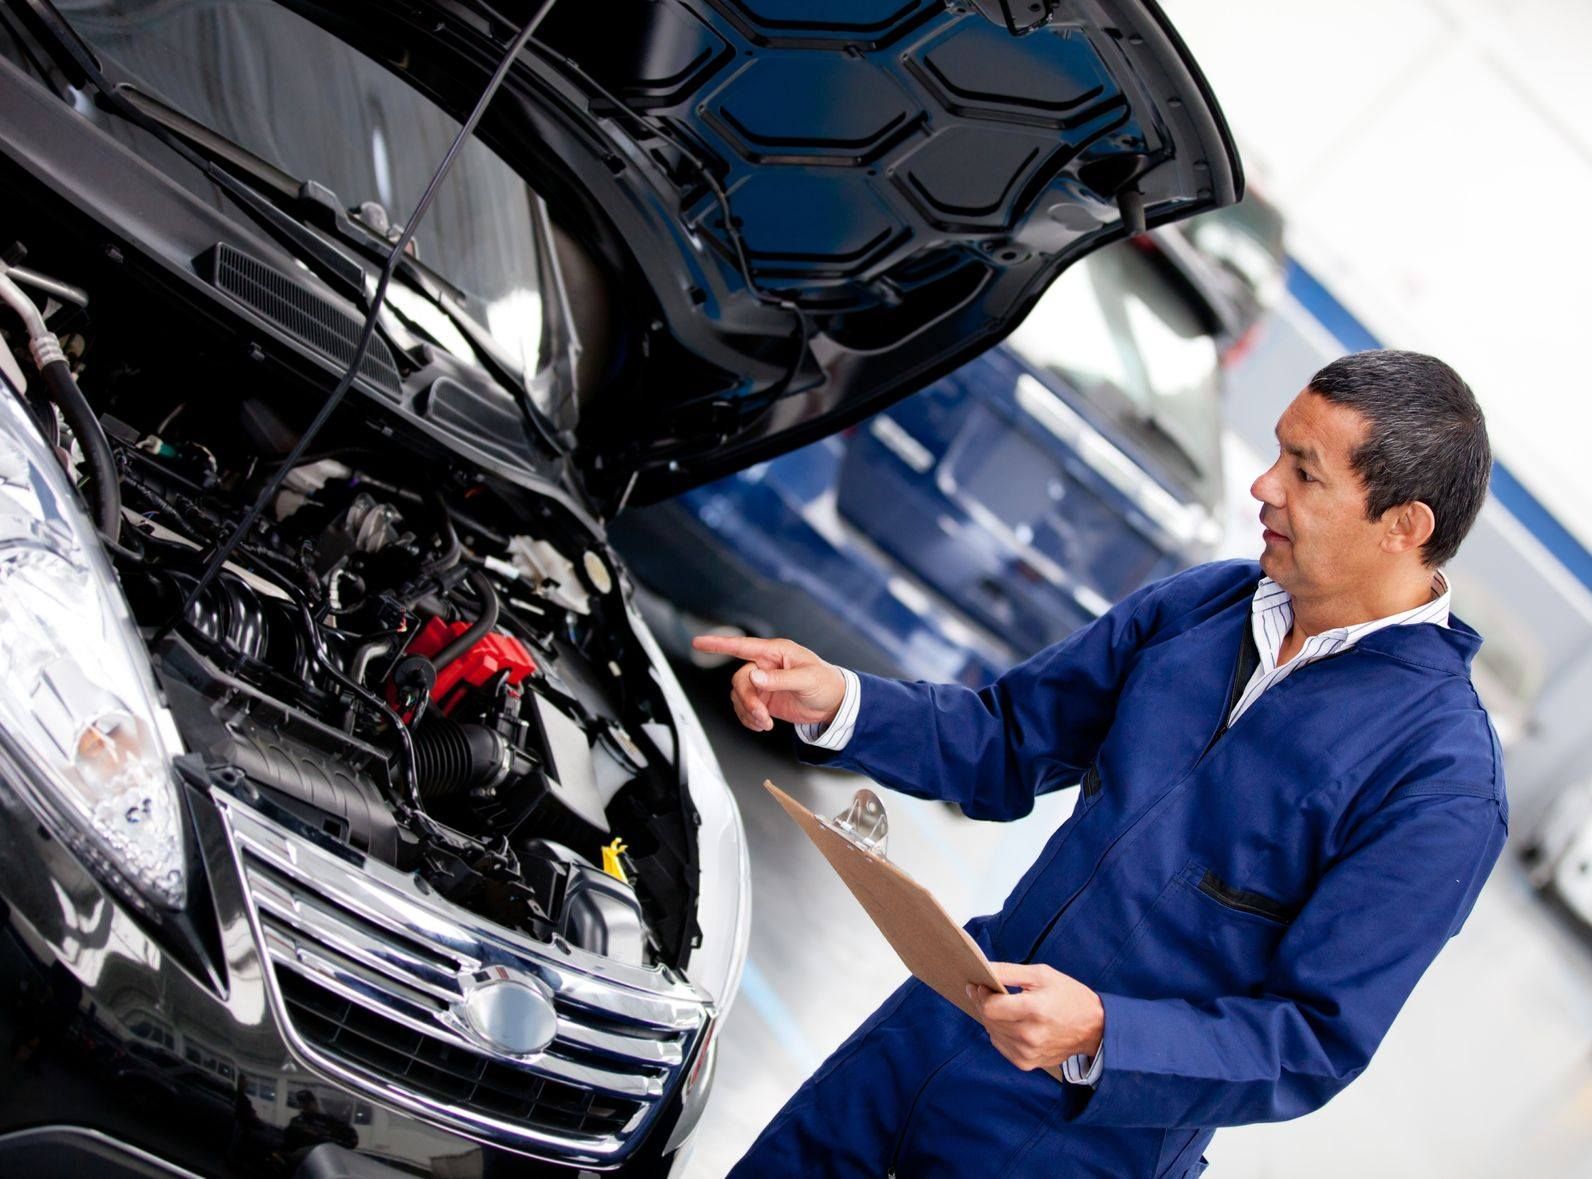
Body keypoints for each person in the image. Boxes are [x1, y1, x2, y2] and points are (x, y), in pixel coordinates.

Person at [695, 350, 1507, 1178]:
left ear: (1404, 525)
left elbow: (1310, 1040)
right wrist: (841, 701)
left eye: (1304, 473)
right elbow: (1007, 738)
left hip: (1086, 1141)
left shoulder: (1439, 781)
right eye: (1276, 454)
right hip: (930, 1035)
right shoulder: (1205, 607)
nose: (1263, 487)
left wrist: (1102, 1033)